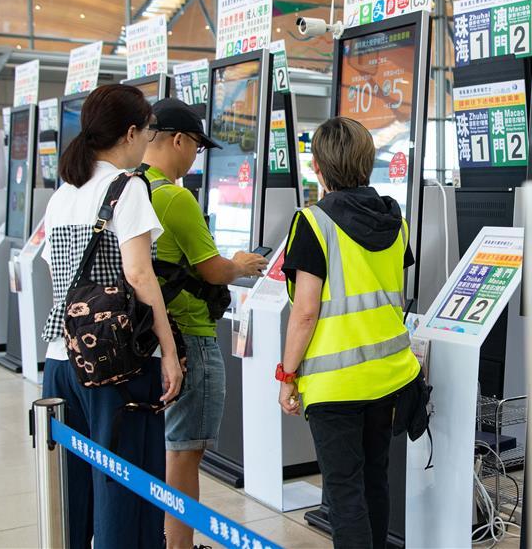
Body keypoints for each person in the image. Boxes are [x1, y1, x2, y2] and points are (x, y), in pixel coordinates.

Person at [41, 84, 183, 549]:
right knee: (127, 488)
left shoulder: (63, 194)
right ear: (129, 133)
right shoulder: (128, 187)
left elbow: (51, 269)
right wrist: (168, 350)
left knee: (72, 490)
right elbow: (140, 275)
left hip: (61, 359)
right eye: (147, 131)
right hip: (115, 363)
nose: (148, 142)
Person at [277, 116, 421, 549]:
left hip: (334, 382)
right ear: (368, 162)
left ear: (318, 169)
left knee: (343, 493)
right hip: (389, 376)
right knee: (375, 480)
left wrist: (287, 376)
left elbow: (305, 313)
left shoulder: (313, 223)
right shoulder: (394, 220)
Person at [141, 98, 268, 549]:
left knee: (170, 447)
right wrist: (242, 264)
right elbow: (212, 270)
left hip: (152, 339)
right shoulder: (175, 197)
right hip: (190, 338)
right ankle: (179, 545)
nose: (197, 156)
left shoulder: (129, 188)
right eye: (196, 146)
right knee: (185, 453)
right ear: (178, 140)